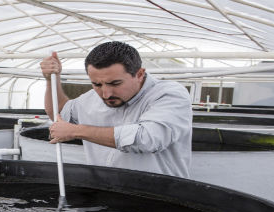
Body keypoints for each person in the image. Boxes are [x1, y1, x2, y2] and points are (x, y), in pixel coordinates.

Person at [40, 41, 192, 178]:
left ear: (139, 74)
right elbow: (59, 113)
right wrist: (51, 80)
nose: (106, 94)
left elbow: (147, 139)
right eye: (97, 84)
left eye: (115, 83)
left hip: (158, 199)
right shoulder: (90, 99)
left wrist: (76, 131)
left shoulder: (169, 94)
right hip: (103, 195)